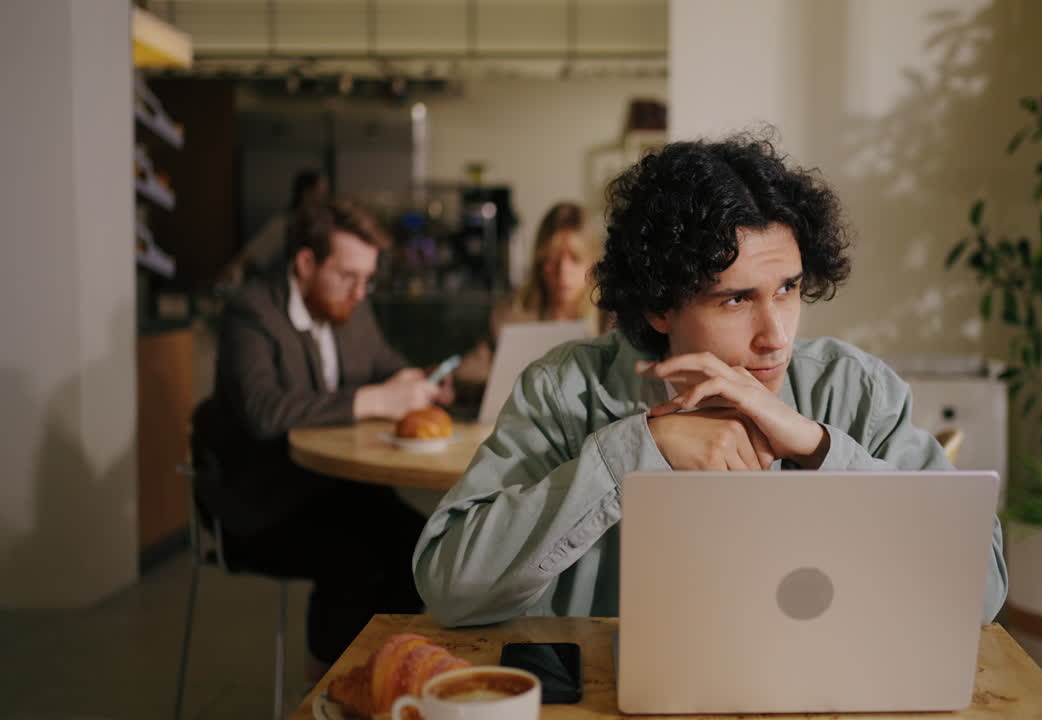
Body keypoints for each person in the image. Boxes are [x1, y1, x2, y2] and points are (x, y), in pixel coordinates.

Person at [411, 134, 1008, 628]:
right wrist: (634, 453)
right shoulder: (564, 390)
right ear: (659, 307)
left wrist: (819, 447)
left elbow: (980, 593)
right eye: (735, 300)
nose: (775, 334)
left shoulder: (853, 390)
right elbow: (450, 589)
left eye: (788, 289)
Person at [193, 196, 451, 676]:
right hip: (256, 503)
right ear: (306, 262)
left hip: (328, 489)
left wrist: (420, 381)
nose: (359, 292)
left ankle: (374, 674)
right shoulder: (251, 314)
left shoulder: (350, 307)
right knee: (353, 560)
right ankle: (328, 688)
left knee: (422, 547)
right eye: (348, 277)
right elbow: (266, 412)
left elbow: (387, 365)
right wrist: (375, 400)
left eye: (367, 280)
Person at [454, 201, 606, 393]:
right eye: (552, 259)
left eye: (574, 259)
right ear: (539, 262)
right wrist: (453, 380)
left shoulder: (611, 318)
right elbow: (473, 369)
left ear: (592, 263)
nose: (562, 272)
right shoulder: (513, 312)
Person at [224, 169, 331, 285]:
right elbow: (247, 258)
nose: (325, 198)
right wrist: (235, 271)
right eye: (321, 192)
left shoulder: (325, 228)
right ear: (306, 193)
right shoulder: (282, 225)